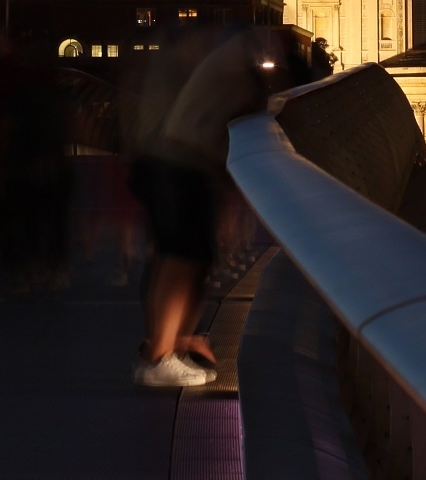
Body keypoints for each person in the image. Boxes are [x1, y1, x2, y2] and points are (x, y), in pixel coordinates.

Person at [123, 22, 297, 388]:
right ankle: (162, 358)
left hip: (177, 163)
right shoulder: (237, 65)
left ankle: (167, 350)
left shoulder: (220, 60)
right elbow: (258, 104)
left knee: (182, 261)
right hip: (183, 166)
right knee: (182, 261)